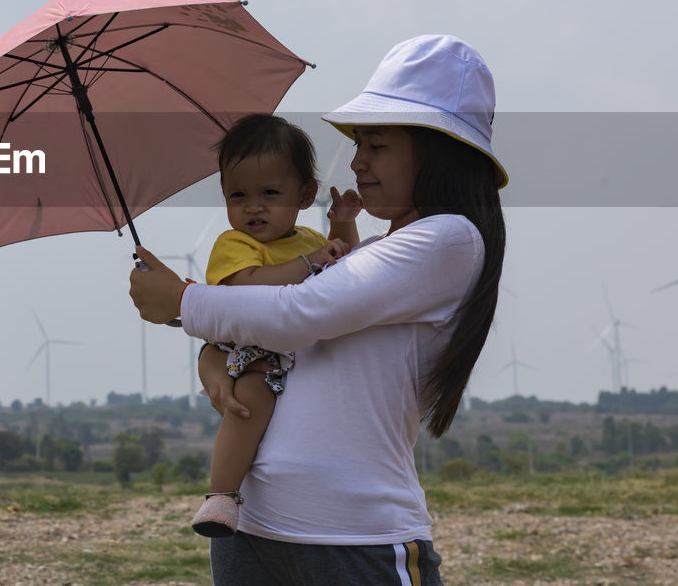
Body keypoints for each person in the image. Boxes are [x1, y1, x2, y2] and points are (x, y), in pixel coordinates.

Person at [131, 35, 507, 585]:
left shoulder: (448, 240)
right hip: (255, 529)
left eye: (376, 145)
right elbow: (278, 336)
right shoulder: (373, 251)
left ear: (438, 149)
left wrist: (182, 303)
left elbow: (297, 312)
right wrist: (213, 361)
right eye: (360, 145)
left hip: (355, 536)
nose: (357, 162)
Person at [191, 113, 362, 538]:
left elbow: (344, 265)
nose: (253, 206)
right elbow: (245, 286)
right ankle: (222, 495)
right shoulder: (235, 244)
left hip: (293, 347)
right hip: (247, 350)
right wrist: (308, 263)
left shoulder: (306, 239)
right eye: (238, 195)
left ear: (305, 195)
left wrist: (341, 225)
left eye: (270, 192)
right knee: (250, 399)